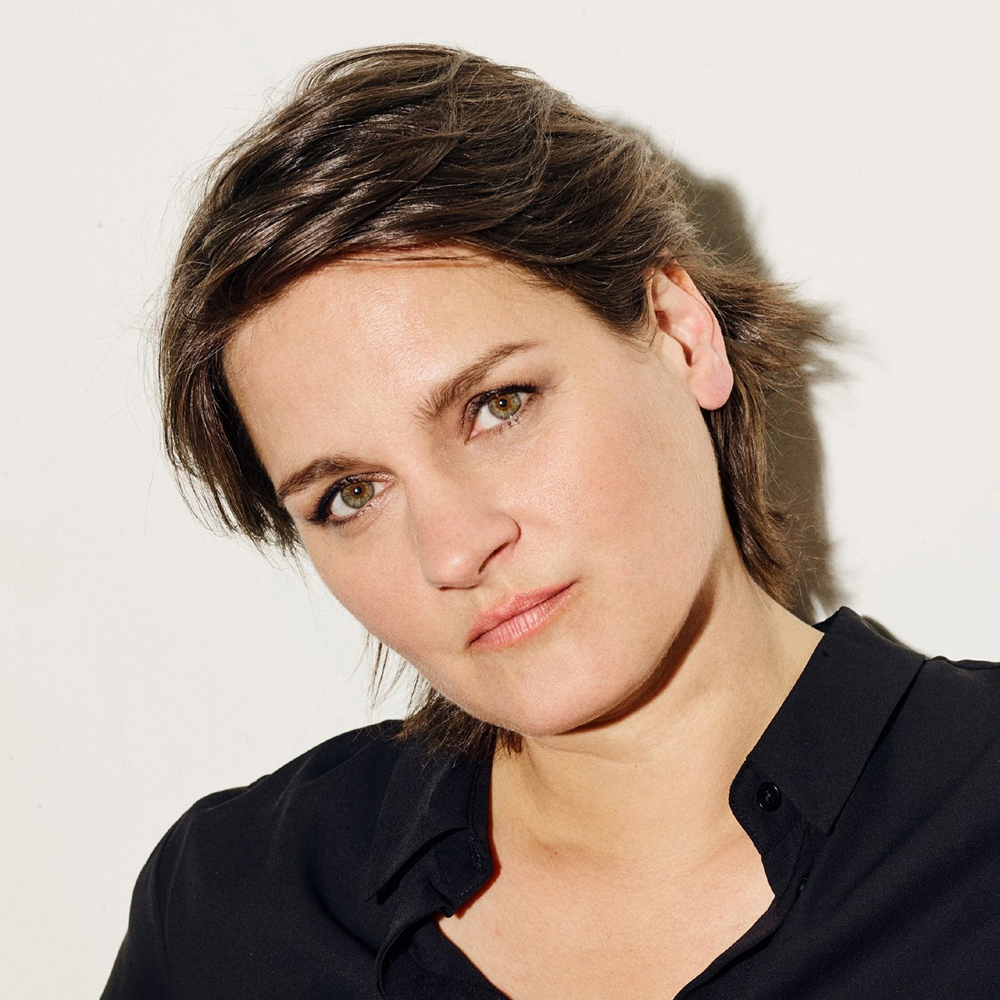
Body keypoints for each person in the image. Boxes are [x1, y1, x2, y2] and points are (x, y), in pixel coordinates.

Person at [101, 44, 1000, 1000]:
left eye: (498, 405)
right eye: (352, 494)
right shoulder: (233, 911)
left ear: (679, 332)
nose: (454, 550)